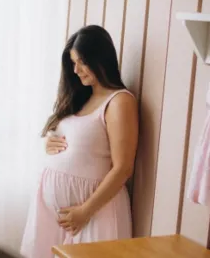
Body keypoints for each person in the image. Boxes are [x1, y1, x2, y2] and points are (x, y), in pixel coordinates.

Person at [20, 25, 139, 258]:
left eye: (81, 62)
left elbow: (123, 167)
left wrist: (85, 211)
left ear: (100, 58)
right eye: (73, 63)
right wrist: (50, 143)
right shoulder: (81, 97)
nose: (76, 70)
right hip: (58, 217)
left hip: (96, 213)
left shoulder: (119, 102)